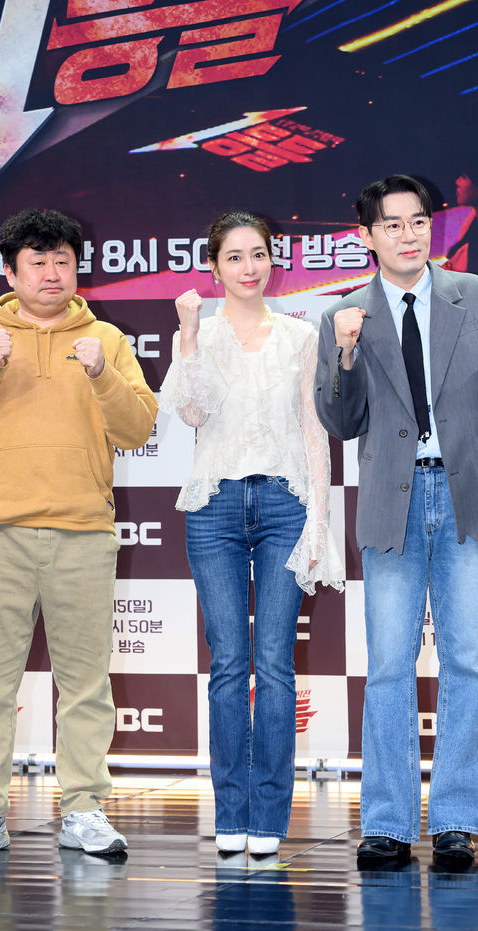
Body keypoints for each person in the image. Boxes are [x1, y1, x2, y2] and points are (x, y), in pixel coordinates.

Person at [313, 174, 478, 865]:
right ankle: (386, 821)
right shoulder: (345, 313)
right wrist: (346, 353)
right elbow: (340, 420)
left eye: (418, 221)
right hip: (395, 497)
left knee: (467, 660)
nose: (408, 235)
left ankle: (456, 820)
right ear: (367, 235)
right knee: (388, 664)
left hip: (467, 490)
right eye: (392, 224)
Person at [0, 209, 159, 859]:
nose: (52, 273)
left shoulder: (106, 339)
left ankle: (84, 809)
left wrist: (101, 374)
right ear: (10, 271)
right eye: (37, 262)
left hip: (82, 533)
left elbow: (138, 428)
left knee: (85, 685)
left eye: (62, 261)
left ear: (78, 268)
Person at [159, 211, 343, 858]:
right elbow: (189, 411)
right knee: (229, 663)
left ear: (273, 261)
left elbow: (314, 431)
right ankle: (230, 811)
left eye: (257, 254)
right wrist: (187, 333)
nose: (248, 267)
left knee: (275, 662)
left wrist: (319, 518)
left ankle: (268, 817)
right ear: (214, 268)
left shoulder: (300, 335)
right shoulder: (198, 334)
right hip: (214, 507)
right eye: (234, 256)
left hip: (285, 505)